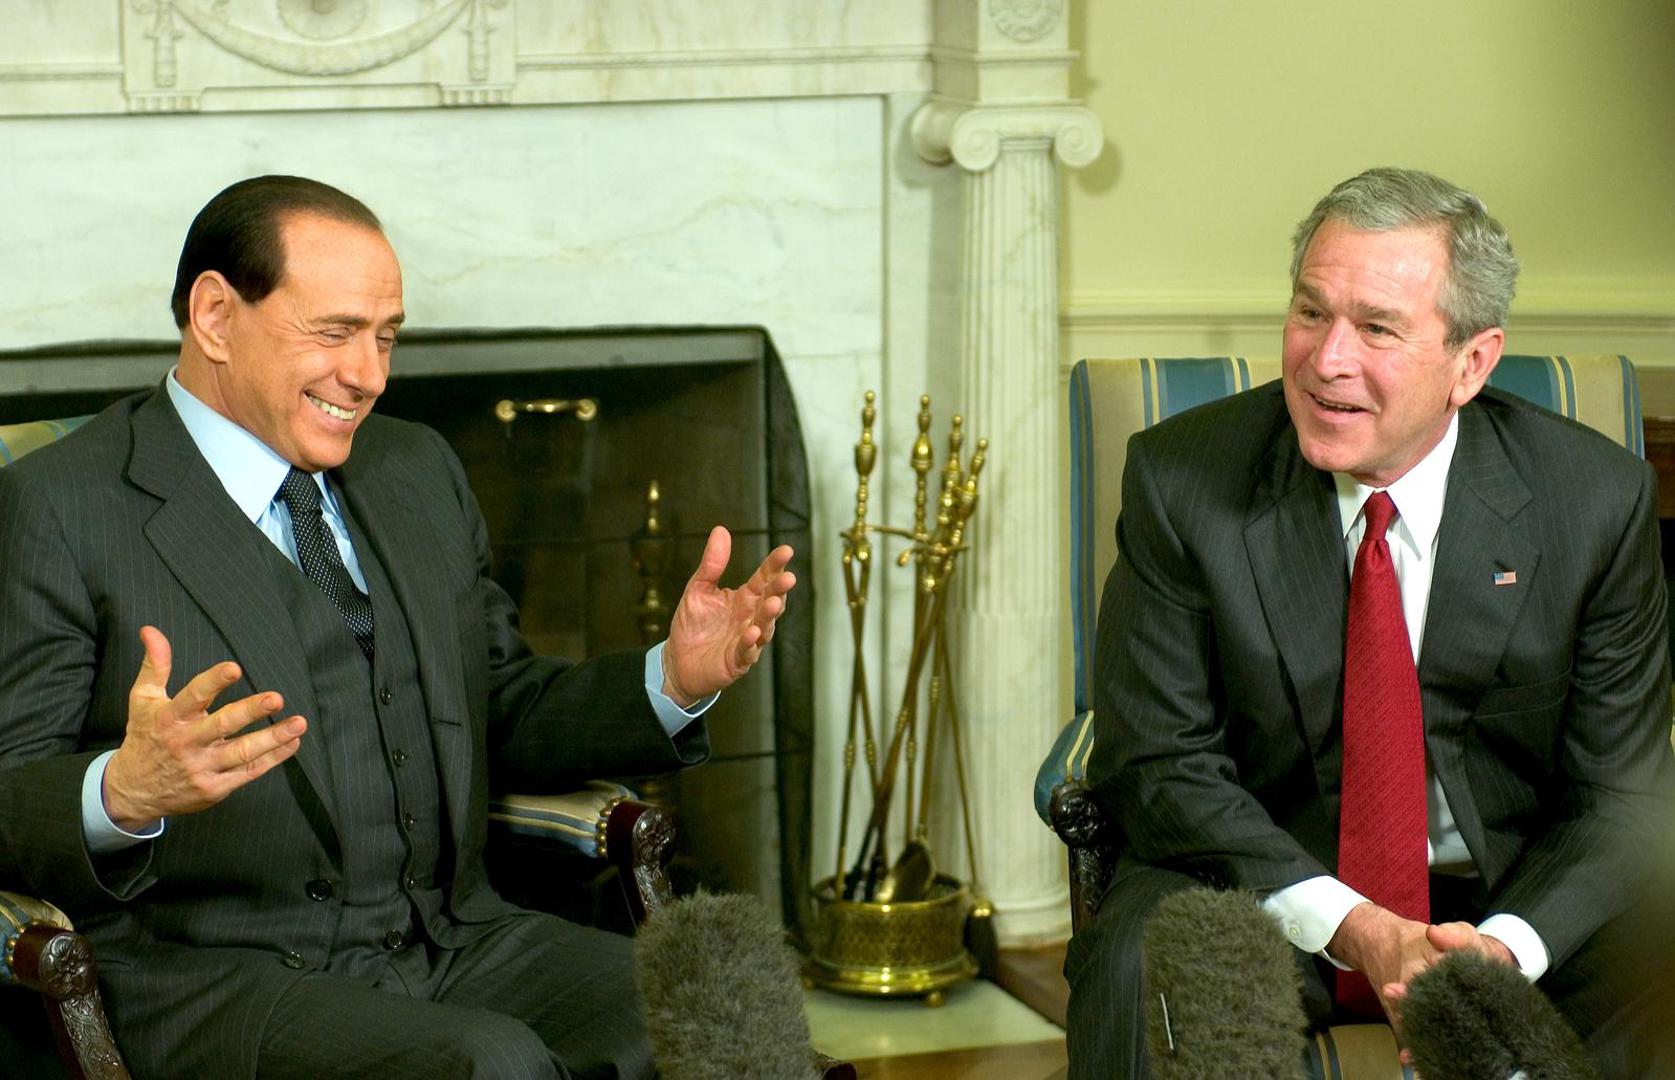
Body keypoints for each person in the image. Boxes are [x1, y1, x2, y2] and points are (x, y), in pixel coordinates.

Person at [0, 175, 796, 1079]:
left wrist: (672, 681)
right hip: (212, 977)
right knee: (488, 1065)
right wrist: (122, 792)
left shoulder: (415, 468)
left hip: (453, 939)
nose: (368, 375)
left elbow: (499, 704)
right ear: (215, 315)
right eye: (334, 332)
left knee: (731, 995)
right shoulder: (58, 507)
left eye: (385, 337)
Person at [1064, 167, 1675, 1079]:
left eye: (1377, 329)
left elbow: (1617, 794)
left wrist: (1497, 951)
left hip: (1510, 895)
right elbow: (1159, 761)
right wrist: (1359, 929)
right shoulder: (1183, 479)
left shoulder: (1591, 502)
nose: (1325, 360)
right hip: (1261, 884)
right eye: (1310, 313)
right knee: (1140, 962)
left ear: (1471, 363)